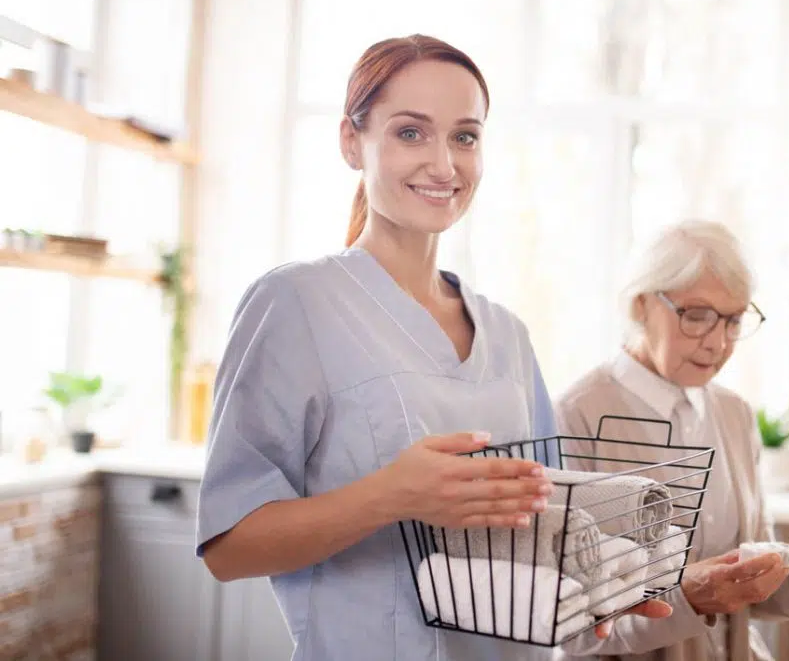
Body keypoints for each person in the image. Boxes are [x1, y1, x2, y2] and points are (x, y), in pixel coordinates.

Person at [194, 35, 668, 661]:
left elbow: (543, 514)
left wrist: (597, 586)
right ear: (350, 141)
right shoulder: (295, 304)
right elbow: (230, 547)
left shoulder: (506, 334)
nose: (444, 165)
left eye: (465, 137)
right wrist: (395, 494)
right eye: (411, 133)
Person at [556, 220, 789, 661]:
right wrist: (689, 597)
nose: (718, 343)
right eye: (697, 316)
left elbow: (753, 586)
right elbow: (571, 619)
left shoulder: (735, 415)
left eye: (734, 320)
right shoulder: (576, 415)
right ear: (641, 305)